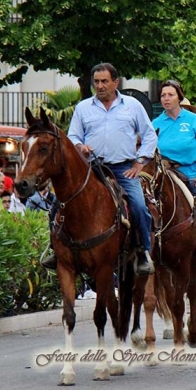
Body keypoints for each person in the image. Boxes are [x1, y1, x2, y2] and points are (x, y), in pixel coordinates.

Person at [67, 62, 157, 276]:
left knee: (138, 205)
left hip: (123, 169)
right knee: (59, 204)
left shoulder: (133, 105)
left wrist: (139, 162)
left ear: (115, 82)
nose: (100, 86)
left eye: (104, 81)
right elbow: (73, 136)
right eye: (96, 82)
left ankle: (144, 251)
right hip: (91, 169)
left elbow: (149, 135)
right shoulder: (83, 108)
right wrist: (80, 146)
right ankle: (55, 249)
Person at [152, 81, 196, 243]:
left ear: (179, 97)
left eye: (170, 95)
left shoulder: (194, 120)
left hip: (192, 176)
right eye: (163, 95)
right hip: (165, 176)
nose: (166, 98)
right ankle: (142, 250)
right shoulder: (155, 124)